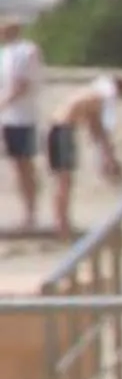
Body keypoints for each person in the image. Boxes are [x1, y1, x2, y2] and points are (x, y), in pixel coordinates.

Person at [44, 74, 122, 239]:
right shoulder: (98, 98)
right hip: (63, 130)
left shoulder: (91, 96)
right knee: (64, 180)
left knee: (64, 180)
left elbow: (96, 130)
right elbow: (99, 130)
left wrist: (106, 155)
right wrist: (108, 157)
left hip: (61, 129)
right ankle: (62, 225)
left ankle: (62, 222)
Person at [0, 18, 42, 234]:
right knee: (18, 167)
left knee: (25, 166)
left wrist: (3, 104)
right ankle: (27, 212)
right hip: (8, 118)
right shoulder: (6, 53)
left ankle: (30, 213)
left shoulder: (26, 51)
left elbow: (21, 85)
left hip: (22, 118)